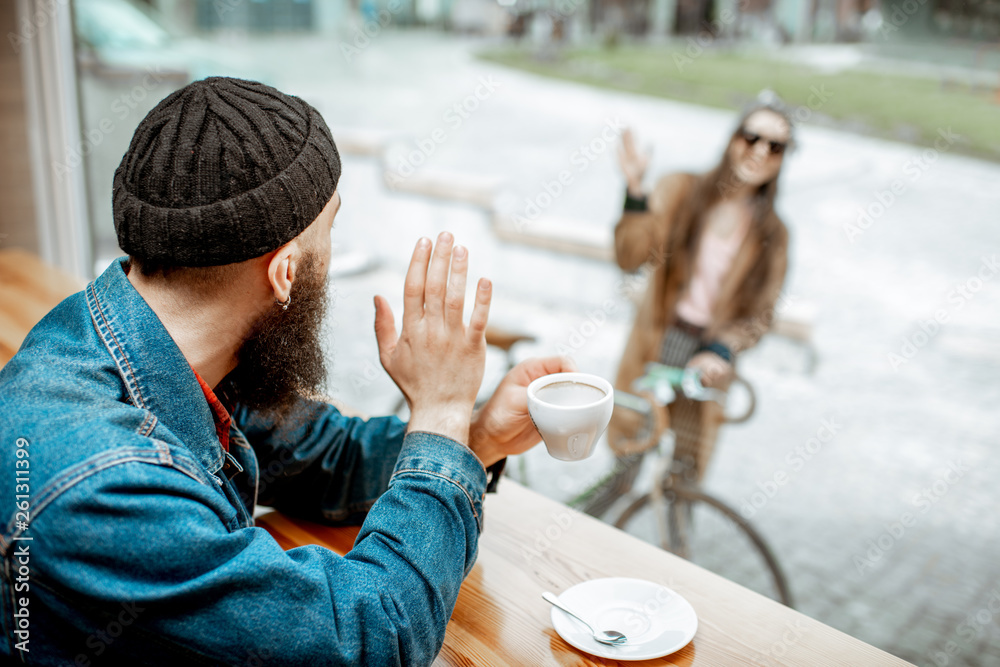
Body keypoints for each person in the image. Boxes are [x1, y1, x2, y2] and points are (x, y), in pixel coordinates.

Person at [0, 77, 570, 665]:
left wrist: (472, 435)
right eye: (329, 230)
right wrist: (441, 410)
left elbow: (326, 459)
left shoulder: (153, 337)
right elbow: (372, 637)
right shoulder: (105, 484)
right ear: (285, 273)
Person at [606, 94, 792, 491]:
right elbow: (630, 256)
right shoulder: (681, 191)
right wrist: (635, 191)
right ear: (733, 139)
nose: (760, 151)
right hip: (657, 344)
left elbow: (762, 314)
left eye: (775, 146)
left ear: (782, 159)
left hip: (706, 362)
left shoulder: (773, 234)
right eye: (751, 137)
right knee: (624, 468)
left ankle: (672, 549)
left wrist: (722, 350)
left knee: (683, 482)